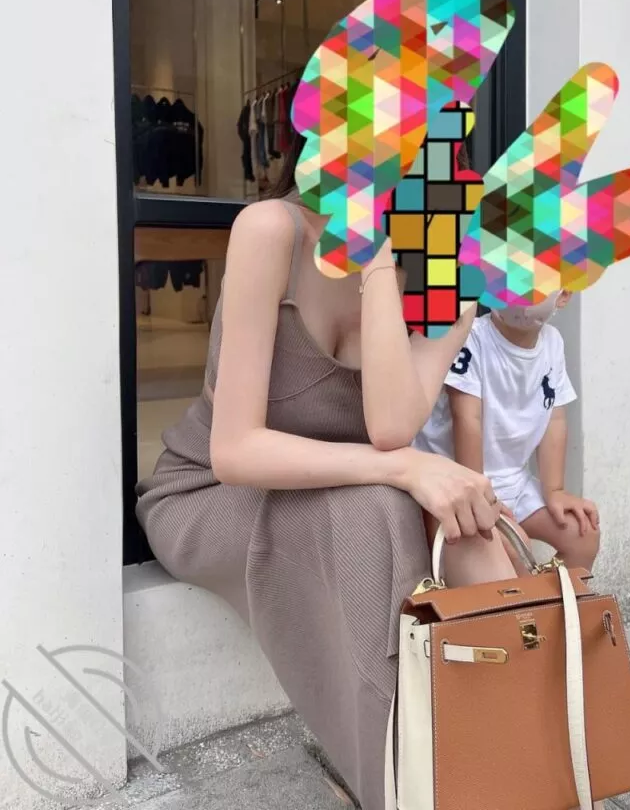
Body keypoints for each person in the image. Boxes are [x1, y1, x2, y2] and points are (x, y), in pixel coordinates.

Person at [134, 137, 518, 810]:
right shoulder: (272, 230)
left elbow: (390, 428)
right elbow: (236, 451)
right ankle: (403, 786)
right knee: (378, 509)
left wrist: (383, 261)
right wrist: (405, 468)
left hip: (349, 483)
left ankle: (520, 762)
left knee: (472, 532)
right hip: (212, 493)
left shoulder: (440, 276)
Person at [414, 291, 601, 571]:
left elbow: (555, 419)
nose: (521, 290)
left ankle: (558, 600)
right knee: (516, 549)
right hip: (459, 481)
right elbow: (467, 418)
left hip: (514, 480)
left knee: (583, 535)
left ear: (563, 296)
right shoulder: (471, 338)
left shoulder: (553, 343)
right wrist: (478, 495)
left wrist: (555, 490)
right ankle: (532, 599)